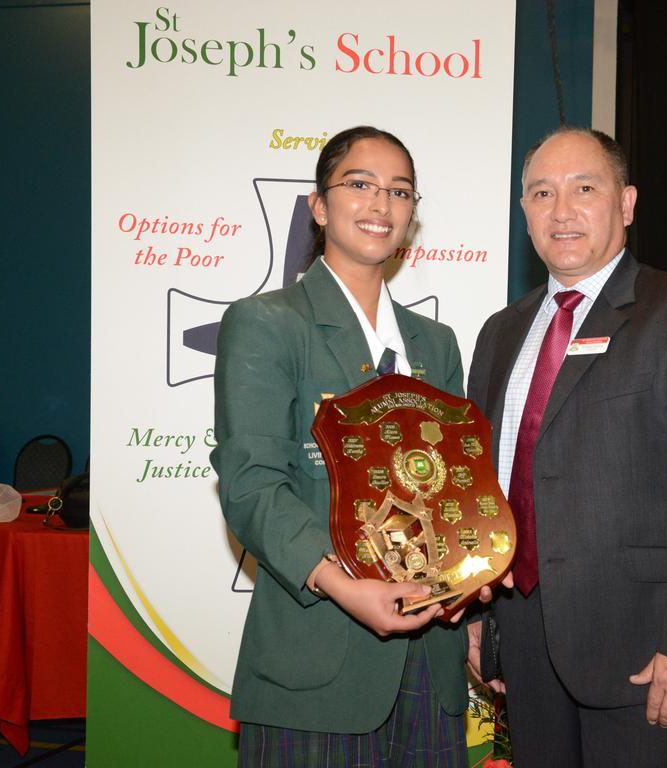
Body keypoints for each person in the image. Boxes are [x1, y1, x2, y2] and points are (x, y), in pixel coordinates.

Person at [465, 127, 667, 766]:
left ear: (626, 204)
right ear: (524, 212)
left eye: (584, 188)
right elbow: (486, 493)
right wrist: (481, 624)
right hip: (525, 651)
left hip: (648, 657)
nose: (562, 210)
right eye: (541, 193)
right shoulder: (500, 334)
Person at [212, 126, 471, 767]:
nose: (381, 204)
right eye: (360, 184)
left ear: (412, 216)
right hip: (318, 659)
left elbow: (458, 493)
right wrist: (343, 585)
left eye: (400, 191)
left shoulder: (435, 344)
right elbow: (252, 485)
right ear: (320, 206)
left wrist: (474, 572)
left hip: (431, 664)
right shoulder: (267, 323)